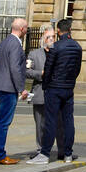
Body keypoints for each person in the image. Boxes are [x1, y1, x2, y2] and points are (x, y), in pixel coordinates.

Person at [29, 17, 82, 165]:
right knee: (68, 121)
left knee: (50, 122)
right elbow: (77, 69)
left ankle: (45, 154)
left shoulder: (55, 47)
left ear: (58, 31)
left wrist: (46, 86)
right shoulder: (77, 47)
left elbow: (49, 69)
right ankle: (68, 154)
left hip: (54, 88)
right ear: (70, 30)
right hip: (68, 88)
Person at [0, 17, 29, 165]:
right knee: (4, 122)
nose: (26, 31)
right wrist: (21, 89)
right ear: (22, 29)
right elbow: (14, 68)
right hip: (8, 88)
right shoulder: (15, 44)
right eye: (26, 28)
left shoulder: (4, 42)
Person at [25, 25, 55, 156]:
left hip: (55, 93)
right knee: (40, 124)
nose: (51, 39)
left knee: (54, 124)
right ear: (43, 38)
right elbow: (26, 71)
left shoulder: (58, 52)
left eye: (53, 37)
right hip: (40, 92)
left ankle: (49, 148)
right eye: (48, 37)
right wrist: (40, 73)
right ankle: (40, 149)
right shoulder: (34, 54)